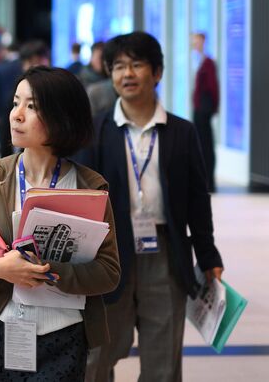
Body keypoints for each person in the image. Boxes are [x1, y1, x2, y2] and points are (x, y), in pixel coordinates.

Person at [0, 66, 120, 381]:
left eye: (32, 106)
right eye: (15, 103)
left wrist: (50, 271)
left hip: (64, 338)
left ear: (63, 116)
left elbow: (109, 272)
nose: (16, 115)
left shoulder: (90, 186)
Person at [77, 31, 224, 382]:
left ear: (156, 73)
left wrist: (208, 256)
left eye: (137, 65)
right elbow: (81, 199)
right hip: (107, 254)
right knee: (95, 357)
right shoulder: (96, 132)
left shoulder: (181, 132)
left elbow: (197, 200)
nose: (127, 74)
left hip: (165, 254)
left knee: (163, 360)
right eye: (118, 66)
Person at [0, 40, 50, 157]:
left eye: (35, 62)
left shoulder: (53, 86)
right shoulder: (21, 82)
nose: (30, 67)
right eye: (28, 63)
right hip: (5, 117)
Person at [191, 32, 219, 192]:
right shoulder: (200, 62)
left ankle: (209, 180)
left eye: (197, 41)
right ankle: (205, 179)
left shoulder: (208, 63)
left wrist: (212, 108)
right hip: (200, 109)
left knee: (205, 144)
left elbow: (213, 88)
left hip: (203, 110)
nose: (195, 44)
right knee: (202, 143)